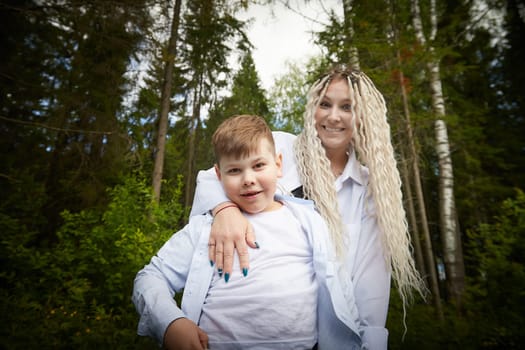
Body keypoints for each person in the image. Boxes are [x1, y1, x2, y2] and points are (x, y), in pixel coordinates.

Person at [190, 65, 426, 349]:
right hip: (242, 326)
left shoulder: (369, 191)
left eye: (347, 107)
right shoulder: (280, 149)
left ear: (362, 116)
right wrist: (224, 210)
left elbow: (370, 286)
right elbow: (211, 177)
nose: (333, 116)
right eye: (324, 104)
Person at [132, 114, 362, 350]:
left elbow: (342, 292)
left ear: (278, 165)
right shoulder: (206, 228)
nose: (248, 179)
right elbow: (150, 278)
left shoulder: (309, 222)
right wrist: (171, 323)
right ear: (219, 176)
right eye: (234, 170)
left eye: (259, 165)